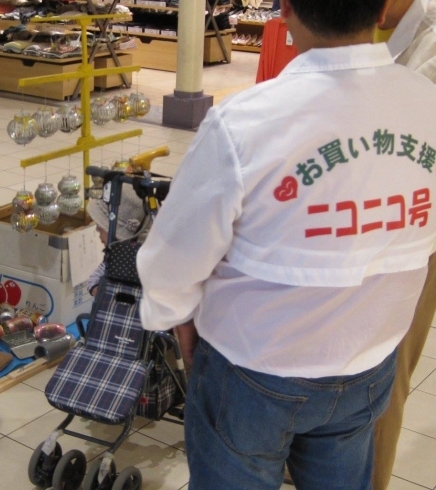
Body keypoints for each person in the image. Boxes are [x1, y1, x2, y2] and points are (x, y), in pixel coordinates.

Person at [136, 0, 436, 488]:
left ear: (285, 10)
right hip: (368, 363)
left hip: (253, 366)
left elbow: (174, 254)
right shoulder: (427, 104)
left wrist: (175, 316)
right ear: (383, 11)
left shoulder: (245, 121)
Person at [372, 1, 436, 488]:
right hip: (374, 218)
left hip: (416, 232)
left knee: (385, 372)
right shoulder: (384, 32)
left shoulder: (431, 39)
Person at [85, 184, 147, 297]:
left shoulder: (141, 259)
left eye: (100, 227)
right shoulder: (114, 255)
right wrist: (95, 288)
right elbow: (93, 278)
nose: (97, 231)